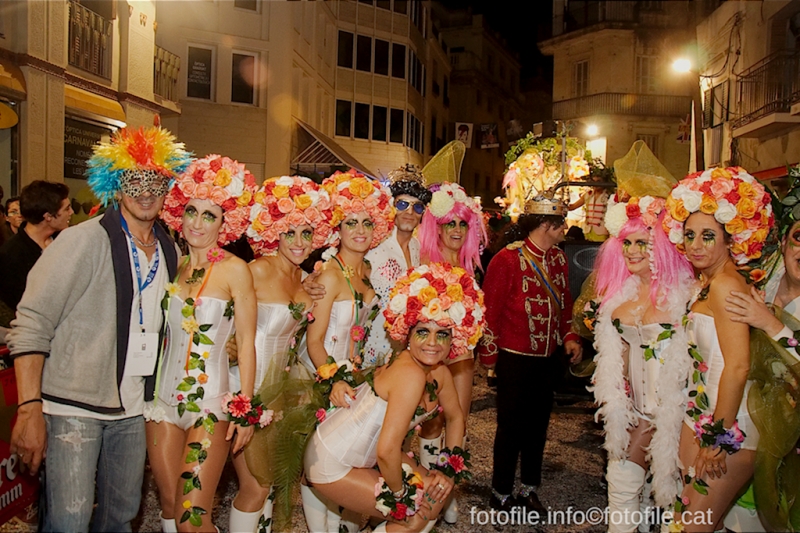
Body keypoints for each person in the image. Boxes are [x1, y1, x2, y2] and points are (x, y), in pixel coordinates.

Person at [6, 126, 191, 532]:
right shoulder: (81, 241)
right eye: (134, 180)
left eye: (154, 180)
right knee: (69, 522)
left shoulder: (170, 250)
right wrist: (29, 407)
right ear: (116, 186)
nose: (145, 191)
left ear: (167, 186)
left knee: (120, 519)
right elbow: (33, 322)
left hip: (134, 410)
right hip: (74, 409)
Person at [303, 262, 486, 533]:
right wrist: (402, 497)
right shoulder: (410, 374)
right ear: (407, 334)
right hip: (333, 460)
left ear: (454, 339)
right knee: (414, 515)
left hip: (370, 455)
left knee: (435, 497)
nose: (433, 343)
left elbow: (456, 416)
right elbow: (386, 451)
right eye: (423, 332)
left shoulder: (440, 374)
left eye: (442, 334)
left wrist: (449, 470)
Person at [146, 154, 259, 532]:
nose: (197, 222)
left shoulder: (234, 270)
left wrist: (245, 409)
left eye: (209, 215)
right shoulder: (170, 264)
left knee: (192, 518)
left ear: (225, 223)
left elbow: (245, 344)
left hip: (211, 406)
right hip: (161, 404)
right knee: (167, 503)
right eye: (191, 211)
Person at [662, 166, 773, 532]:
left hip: (730, 427)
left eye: (708, 236)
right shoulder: (707, 283)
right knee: (691, 521)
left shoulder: (725, 285)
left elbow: (738, 366)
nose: (695, 245)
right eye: (689, 234)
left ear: (730, 241)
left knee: (693, 526)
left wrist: (718, 436)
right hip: (704, 416)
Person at [225, 175, 336, 533]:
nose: (299, 242)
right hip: (246, 389)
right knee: (255, 486)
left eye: (306, 233)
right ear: (273, 231)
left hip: (283, 396)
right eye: (290, 233)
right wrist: (225, 345)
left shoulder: (308, 282)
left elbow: (303, 342)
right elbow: (222, 317)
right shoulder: (255, 271)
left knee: (271, 482)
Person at [590, 194, 694, 532]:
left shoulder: (688, 296)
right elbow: (615, 361)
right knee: (620, 492)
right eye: (627, 243)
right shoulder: (619, 296)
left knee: (670, 510)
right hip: (633, 415)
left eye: (642, 243)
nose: (632, 251)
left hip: (677, 420)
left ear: (661, 246)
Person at [300, 168, 394, 533]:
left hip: (355, 375)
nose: (359, 230)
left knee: (348, 459)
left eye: (366, 223)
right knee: (318, 460)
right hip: (321, 377)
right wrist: (334, 379)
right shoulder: (329, 276)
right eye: (350, 222)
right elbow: (314, 341)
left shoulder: (368, 270)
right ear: (337, 228)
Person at [477, 192, 583, 514]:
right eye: (560, 223)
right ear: (546, 225)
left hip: (547, 359)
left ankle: (528, 488)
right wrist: (490, 359)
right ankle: (501, 491)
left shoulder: (558, 260)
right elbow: (489, 313)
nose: (564, 229)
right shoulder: (507, 260)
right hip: (514, 358)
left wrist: (570, 337)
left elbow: (565, 305)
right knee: (510, 427)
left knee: (538, 426)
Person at [720, 171, 800, 533]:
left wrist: (769, 323)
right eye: (799, 238)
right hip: (743, 420)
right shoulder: (760, 278)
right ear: (783, 240)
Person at [416, 181, 487, 523]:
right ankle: (431, 493)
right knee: (431, 425)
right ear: (437, 228)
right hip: (430, 358)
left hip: (462, 358)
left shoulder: (470, 269)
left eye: (462, 224)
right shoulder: (422, 265)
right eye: (450, 224)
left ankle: (448, 490)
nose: (457, 230)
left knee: (459, 420)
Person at [362, 165, 431, 366]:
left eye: (417, 207)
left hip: (402, 347)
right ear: (392, 206)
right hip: (369, 343)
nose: (409, 212)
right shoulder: (373, 243)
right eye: (402, 205)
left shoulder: (417, 248)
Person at [0, 181, 73, 311]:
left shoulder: (68, 241)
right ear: (48, 216)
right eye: (66, 209)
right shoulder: (11, 256)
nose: (71, 212)